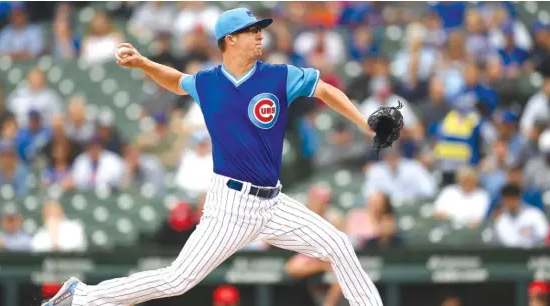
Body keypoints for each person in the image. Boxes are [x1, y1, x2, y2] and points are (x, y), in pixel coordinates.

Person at [43, 8, 383, 306]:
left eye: (259, 30)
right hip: (230, 206)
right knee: (177, 281)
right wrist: (144, 63)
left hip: (274, 203)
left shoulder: (279, 76)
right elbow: (178, 82)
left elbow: (324, 89)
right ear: (230, 40)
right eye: (251, 32)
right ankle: (83, 296)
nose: (259, 36)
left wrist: (366, 122)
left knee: (338, 243)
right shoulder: (208, 83)